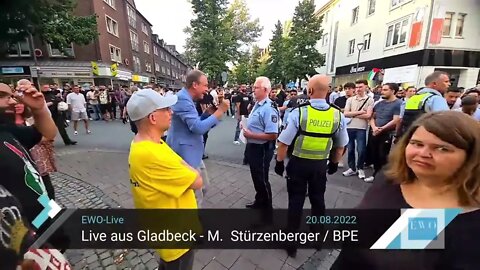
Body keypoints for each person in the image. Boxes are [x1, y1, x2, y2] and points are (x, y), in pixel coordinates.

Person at [332, 111, 480, 269]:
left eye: (442, 148)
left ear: (471, 156)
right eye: (417, 143)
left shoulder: (469, 219)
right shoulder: (389, 179)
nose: (423, 154)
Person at [126, 89, 202, 270]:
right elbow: (197, 181)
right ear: (153, 118)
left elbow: (183, 166)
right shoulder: (152, 154)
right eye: (166, 109)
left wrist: (186, 169)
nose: (171, 112)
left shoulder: (150, 143)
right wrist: (189, 170)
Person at [275, 74, 348, 257]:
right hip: (319, 166)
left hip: (298, 164)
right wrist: (333, 164)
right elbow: (340, 146)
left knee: (295, 202)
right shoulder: (336, 114)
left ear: (310, 90)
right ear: (328, 91)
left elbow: (283, 143)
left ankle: (291, 244)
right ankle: (317, 238)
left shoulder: (299, 112)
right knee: (318, 200)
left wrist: (279, 162)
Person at [167, 70, 229, 206]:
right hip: (185, 154)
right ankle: (191, 222)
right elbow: (198, 128)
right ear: (195, 85)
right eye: (205, 85)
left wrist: (207, 115)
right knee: (195, 193)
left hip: (193, 152)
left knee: (204, 187)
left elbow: (194, 124)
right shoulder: (183, 99)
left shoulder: (187, 98)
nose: (207, 89)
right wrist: (220, 111)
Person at [0, 81, 57, 228]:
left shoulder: (7, 130)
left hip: (41, 213)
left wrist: (39, 110)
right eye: (1, 96)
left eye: (12, 96)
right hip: (20, 233)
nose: (11, 101)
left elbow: (47, 134)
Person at [242, 77, 279, 209]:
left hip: (262, 148)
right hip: (253, 146)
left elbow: (273, 134)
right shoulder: (257, 104)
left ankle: (267, 210)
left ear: (265, 90)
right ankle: (260, 200)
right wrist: (245, 125)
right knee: (256, 177)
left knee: (262, 179)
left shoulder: (269, 108)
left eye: (256, 87)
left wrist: (251, 135)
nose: (253, 90)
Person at [364, 83, 402, 183]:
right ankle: (376, 174)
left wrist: (381, 128)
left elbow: (396, 120)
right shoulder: (379, 103)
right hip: (374, 131)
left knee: (383, 155)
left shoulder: (398, 103)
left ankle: (381, 176)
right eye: (382, 89)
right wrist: (374, 127)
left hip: (386, 133)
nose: (382, 91)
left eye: (385, 90)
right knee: (375, 154)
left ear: (393, 91)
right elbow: (372, 116)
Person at [397, 71, 450, 138]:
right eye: (446, 81)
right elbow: (445, 122)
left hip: (408, 138)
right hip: (426, 139)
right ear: (434, 83)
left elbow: (401, 120)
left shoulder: (412, 98)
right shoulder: (436, 99)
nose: (449, 84)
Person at [342, 79, 374, 179]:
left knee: (361, 149)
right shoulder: (350, 100)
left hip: (361, 128)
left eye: (360, 87)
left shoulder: (370, 100)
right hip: (350, 127)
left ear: (366, 87)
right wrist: (360, 112)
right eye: (356, 87)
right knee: (350, 149)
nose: (358, 89)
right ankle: (352, 168)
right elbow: (346, 113)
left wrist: (353, 113)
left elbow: (368, 115)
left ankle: (360, 167)